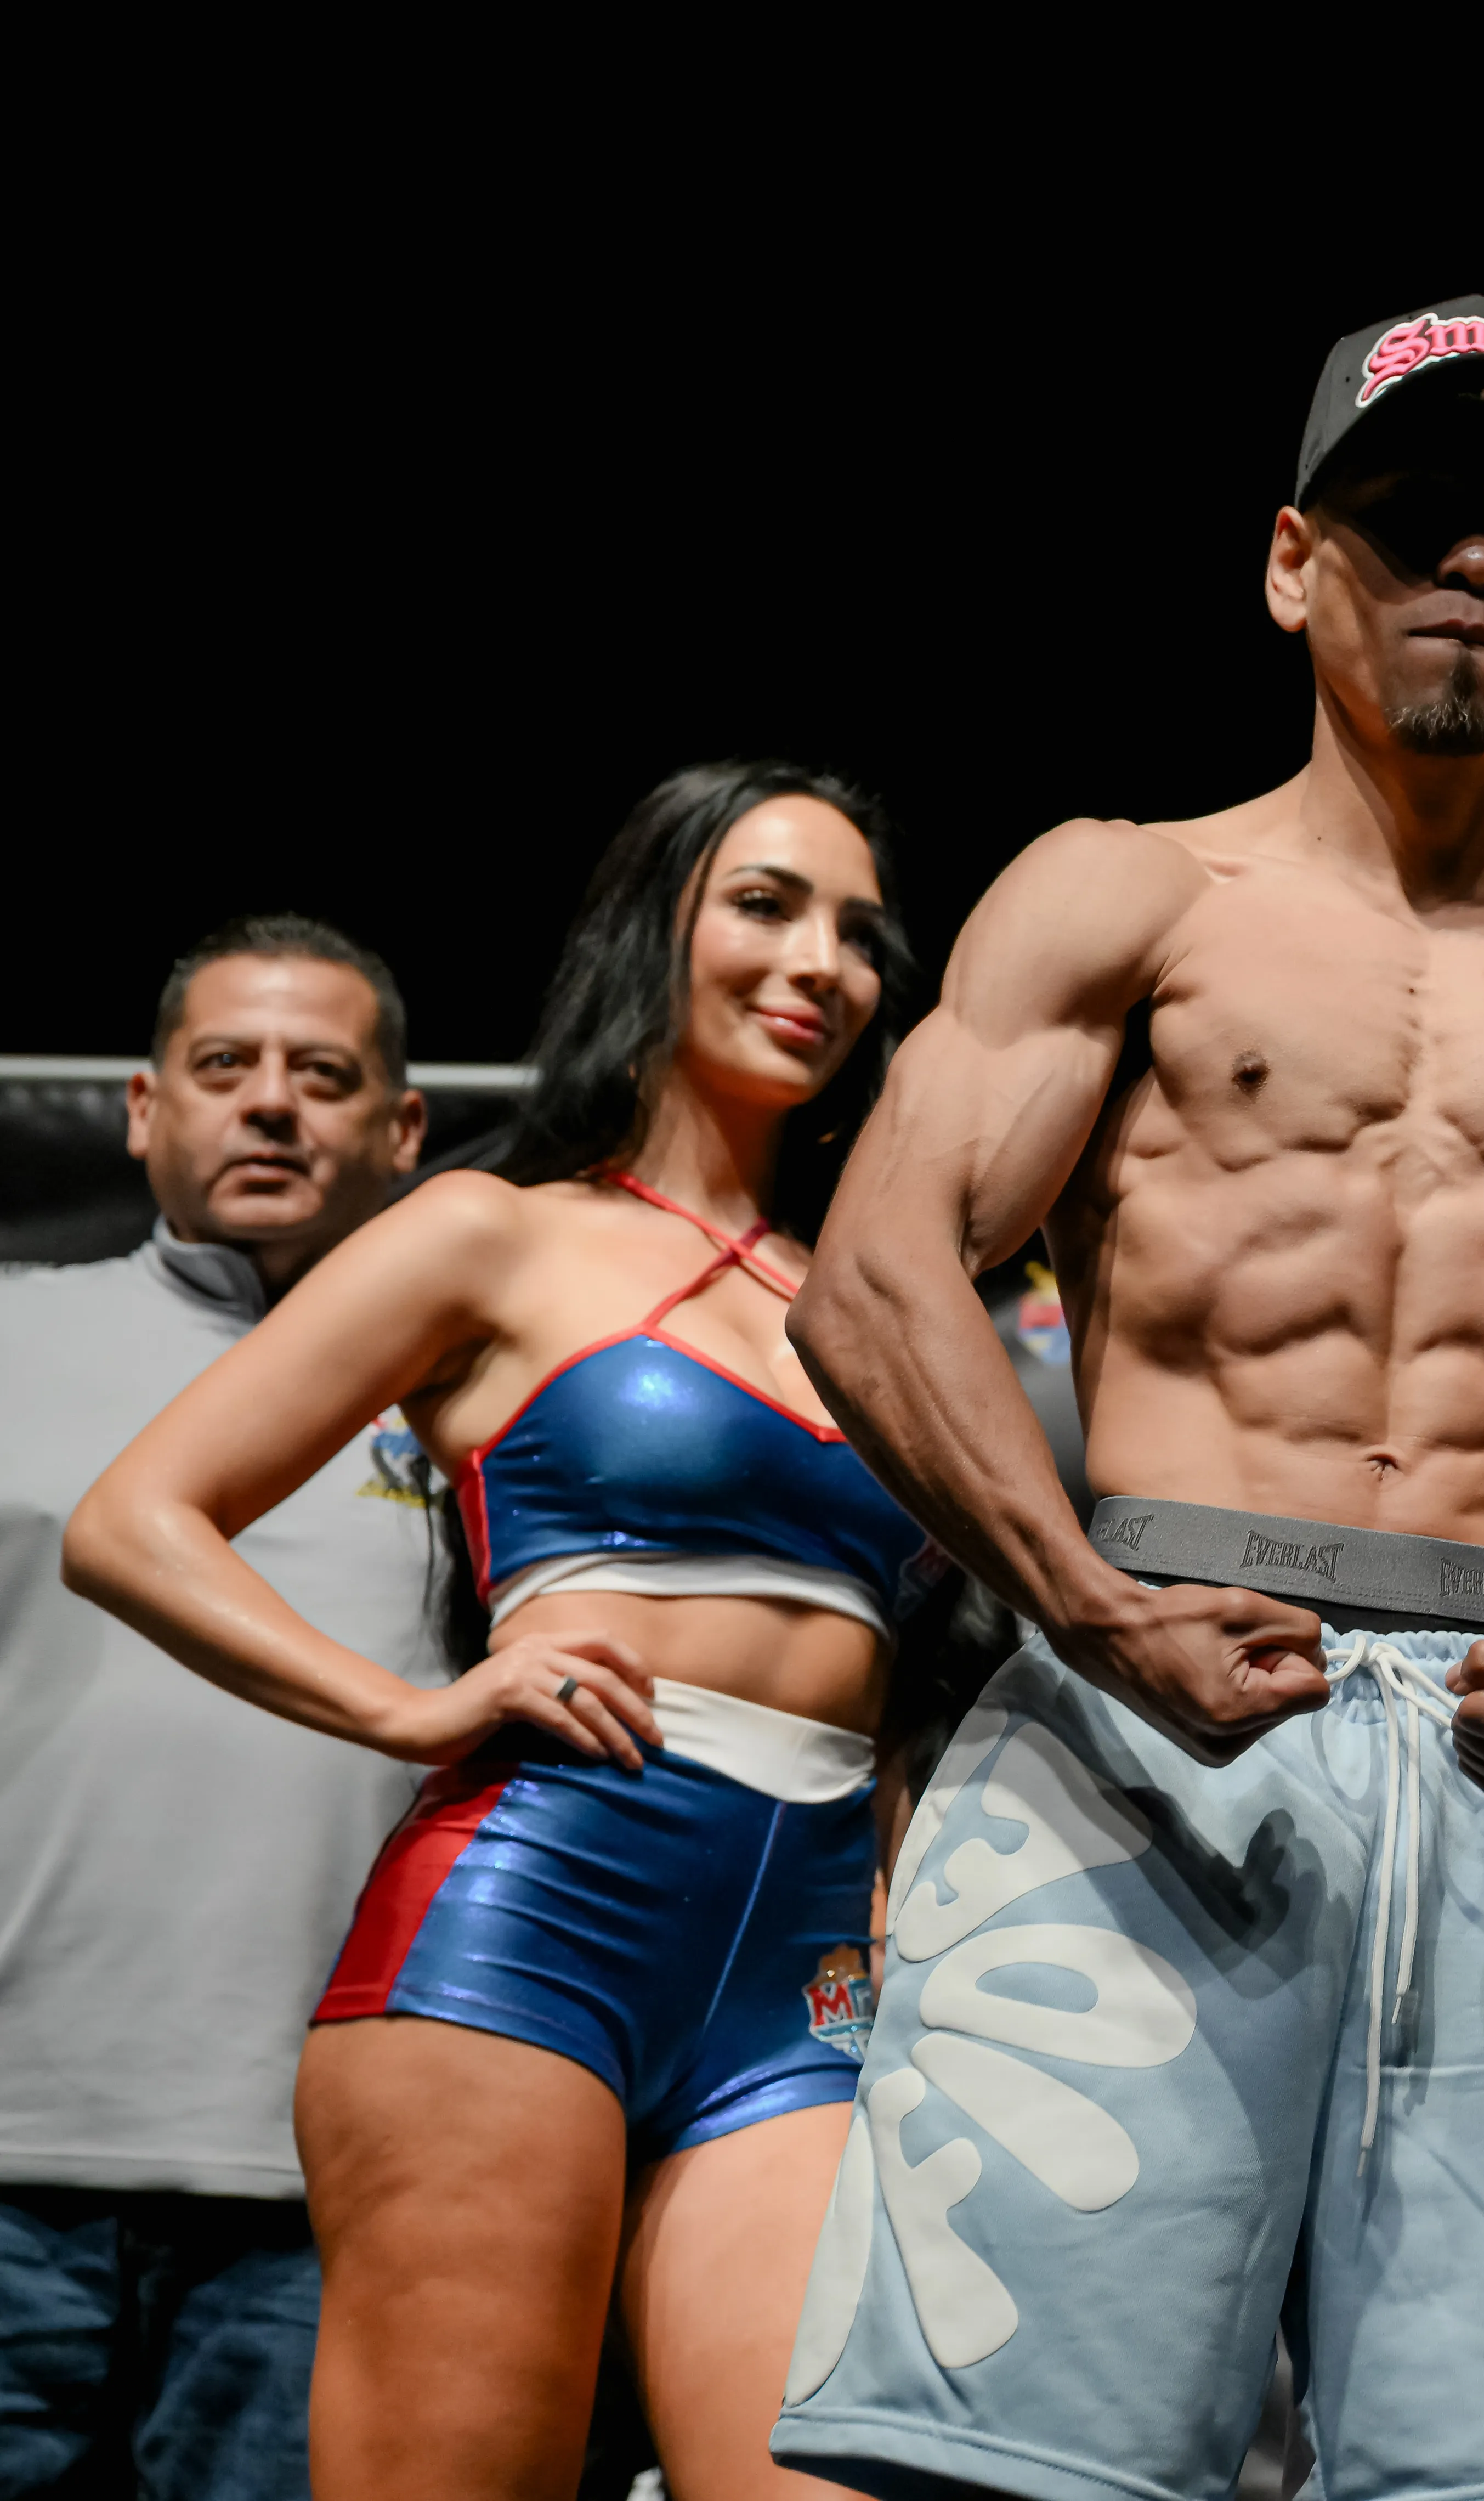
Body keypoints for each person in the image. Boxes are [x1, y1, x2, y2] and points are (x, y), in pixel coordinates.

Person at [766, 295, 1484, 2501]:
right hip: (1134, 1718)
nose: (1474, 564)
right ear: (1287, 562)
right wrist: (1088, 1610)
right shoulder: (1126, 889)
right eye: (1413, 517)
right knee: (1005, 2466)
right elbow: (872, 1281)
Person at [65, 764, 934, 2500]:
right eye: (766, 904)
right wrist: (407, 1706)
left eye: (857, 931)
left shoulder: (877, 1297)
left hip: (807, 1970)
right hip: (528, 1921)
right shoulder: (493, 1230)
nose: (819, 961)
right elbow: (133, 1519)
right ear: (654, 926)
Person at [0, 919, 435, 2500]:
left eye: (323, 1074)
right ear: (141, 1107)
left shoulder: (473, 1400)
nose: (270, 1103)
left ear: (402, 1127)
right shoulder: (11, 1334)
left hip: (327, 2181)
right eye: (225, 1064)